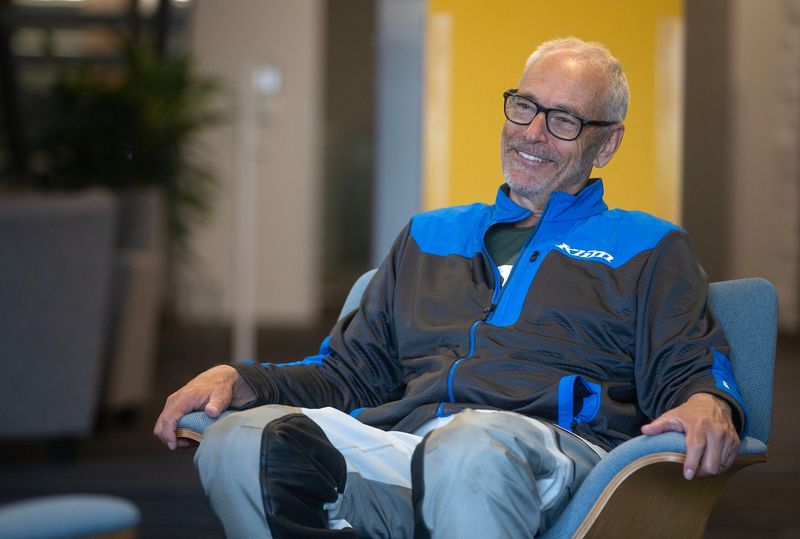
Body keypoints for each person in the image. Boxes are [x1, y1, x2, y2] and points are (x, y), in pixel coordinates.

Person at [154, 37, 747, 539]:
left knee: (471, 446)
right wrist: (243, 380)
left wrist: (708, 401)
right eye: (524, 107)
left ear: (608, 143)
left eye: (564, 119)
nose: (533, 133)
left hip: (548, 451)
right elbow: (350, 374)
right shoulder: (429, 235)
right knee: (239, 443)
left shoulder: (649, 247)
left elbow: (688, 365)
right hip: (410, 447)